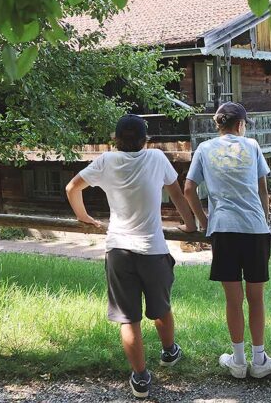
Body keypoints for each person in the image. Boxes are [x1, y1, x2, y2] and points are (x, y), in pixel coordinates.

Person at [64, 114, 197, 399]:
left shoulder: (106, 161)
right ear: (145, 139)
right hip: (153, 249)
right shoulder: (156, 158)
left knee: (129, 318)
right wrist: (190, 226)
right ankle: (169, 352)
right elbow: (176, 194)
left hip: (118, 250)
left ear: (115, 139)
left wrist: (84, 217)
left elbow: (72, 188)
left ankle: (140, 378)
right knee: (161, 307)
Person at [183, 102, 271, 379]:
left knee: (233, 299)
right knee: (256, 299)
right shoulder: (252, 146)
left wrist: (204, 221)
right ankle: (259, 360)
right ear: (240, 124)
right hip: (254, 229)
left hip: (223, 229)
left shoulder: (204, 149)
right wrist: (264, 221)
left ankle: (237, 361)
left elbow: (189, 189)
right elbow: (263, 190)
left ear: (219, 125)